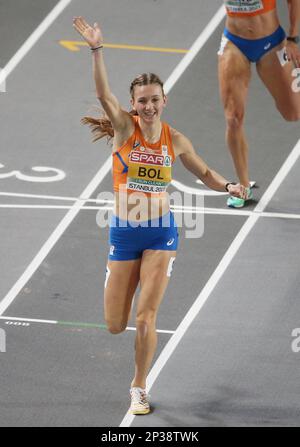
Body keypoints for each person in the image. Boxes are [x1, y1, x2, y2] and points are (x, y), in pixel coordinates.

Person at [73, 16, 245, 415]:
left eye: (155, 99)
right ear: (133, 105)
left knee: (146, 316)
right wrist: (97, 50)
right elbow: (102, 93)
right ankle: (113, 274)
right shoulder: (123, 129)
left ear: (164, 101)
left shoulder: (176, 139)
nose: (148, 106)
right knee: (116, 324)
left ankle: (139, 385)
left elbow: (203, 171)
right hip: (124, 233)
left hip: (161, 234)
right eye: (142, 100)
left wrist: (230, 186)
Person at [219, 0, 300, 208]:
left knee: (293, 112)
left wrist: (292, 37)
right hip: (233, 43)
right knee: (233, 119)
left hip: (272, 42)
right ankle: (243, 187)